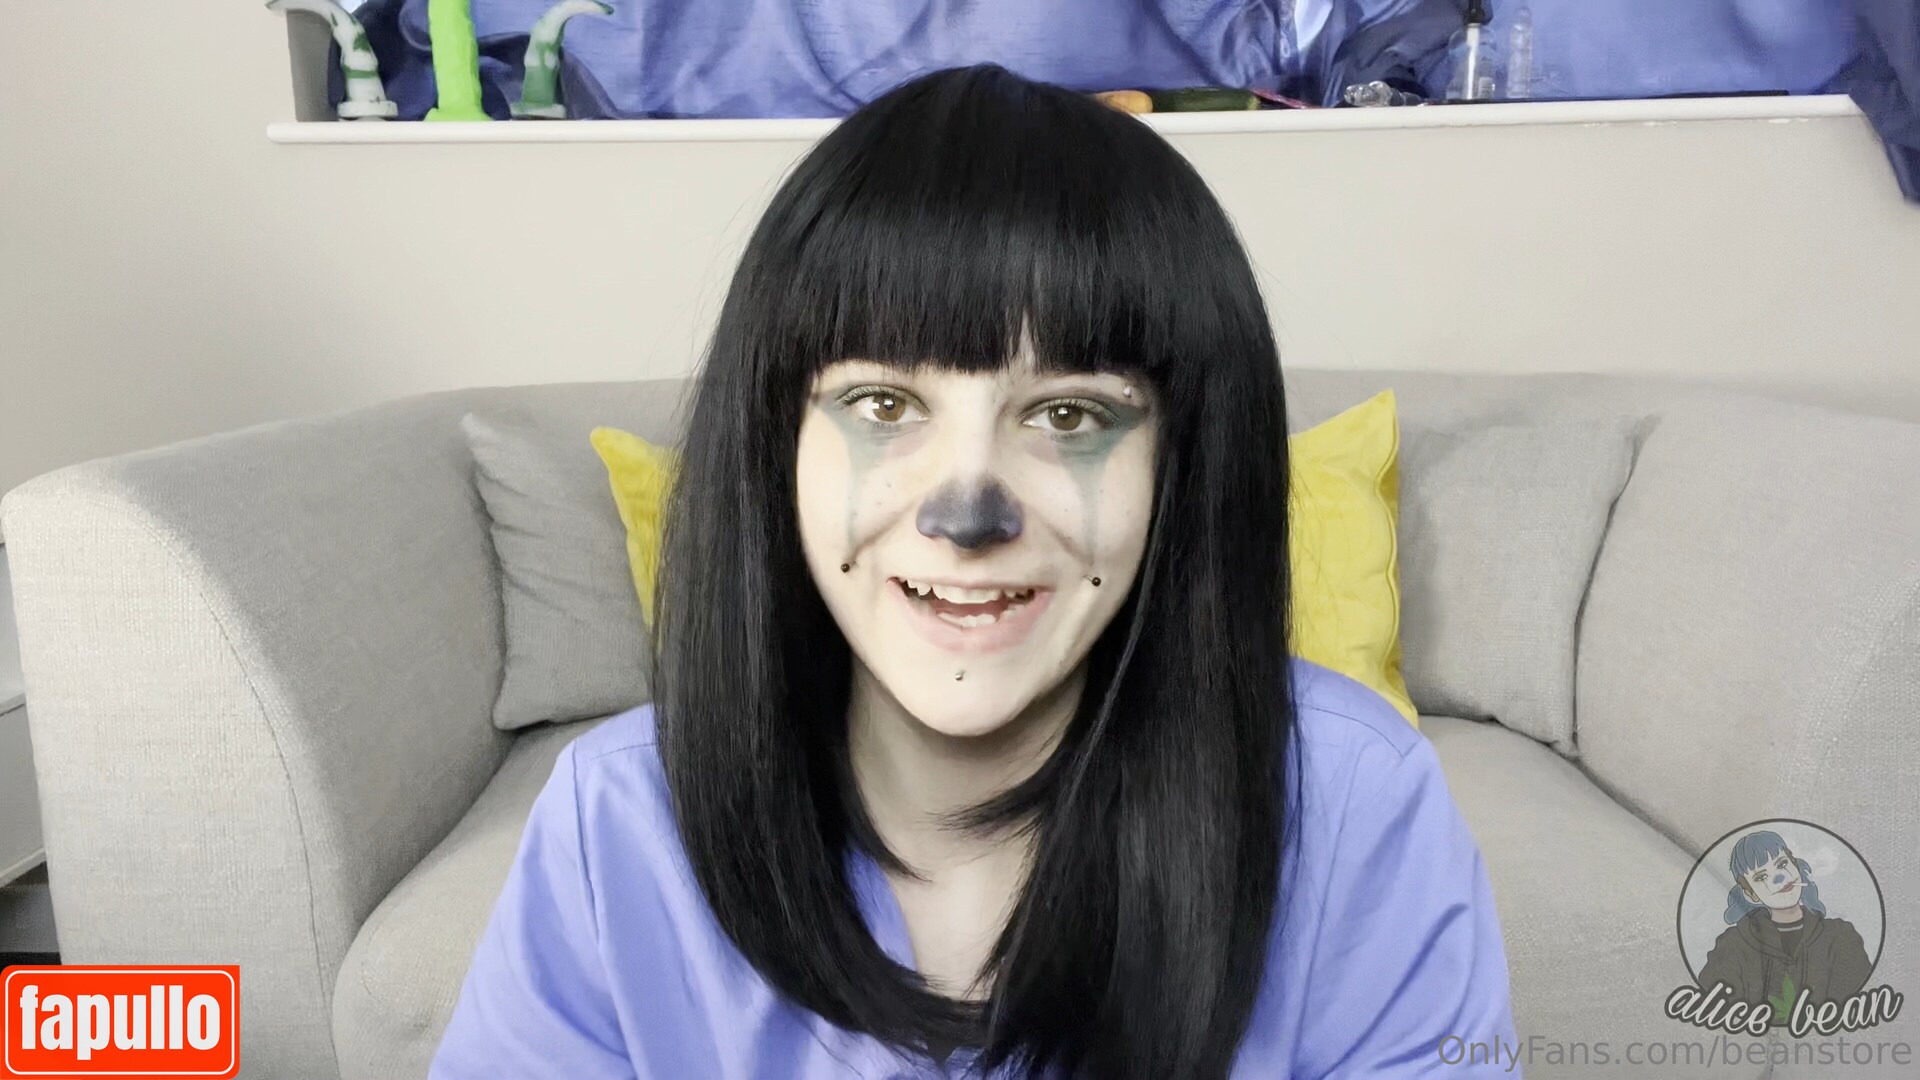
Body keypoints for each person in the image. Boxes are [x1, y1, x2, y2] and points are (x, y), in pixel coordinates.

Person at [431, 64, 1517, 1079]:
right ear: (775, 448)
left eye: (1069, 414)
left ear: (1181, 466)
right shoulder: (616, 823)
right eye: (881, 403)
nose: (966, 513)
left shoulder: (1353, 804)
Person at [1698, 830, 1873, 1017]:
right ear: (1750, 894)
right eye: (1761, 877)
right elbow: (1710, 1010)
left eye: (1782, 864)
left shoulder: (1840, 937)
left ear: (1795, 865)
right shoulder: (1732, 947)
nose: (1779, 878)